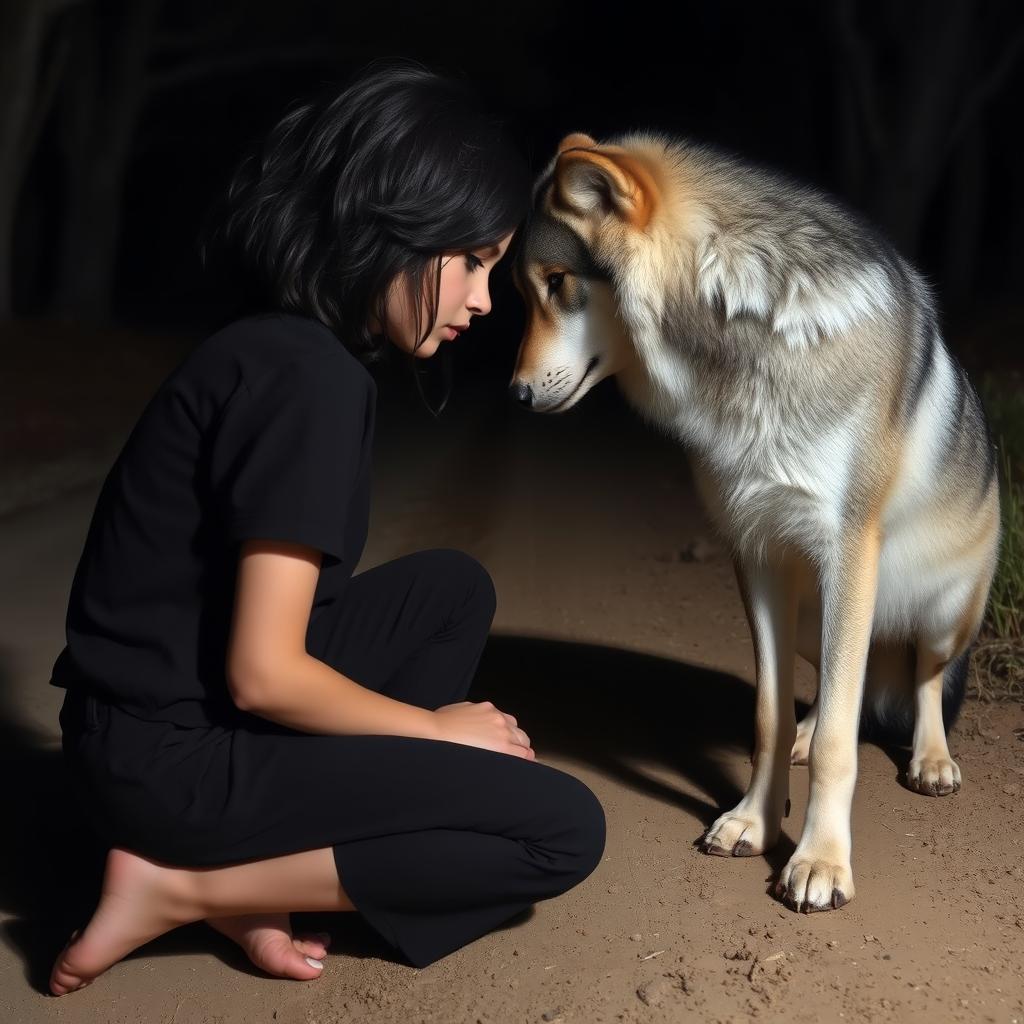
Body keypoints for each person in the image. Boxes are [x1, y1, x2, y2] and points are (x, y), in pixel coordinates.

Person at [47, 58, 606, 996]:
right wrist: (434, 732)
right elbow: (264, 675)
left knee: (449, 592)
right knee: (560, 829)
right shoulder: (309, 381)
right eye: (472, 262)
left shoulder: (279, 345)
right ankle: (187, 883)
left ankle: (252, 871)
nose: (480, 300)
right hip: (168, 769)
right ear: (395, 230)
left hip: (136, 734)